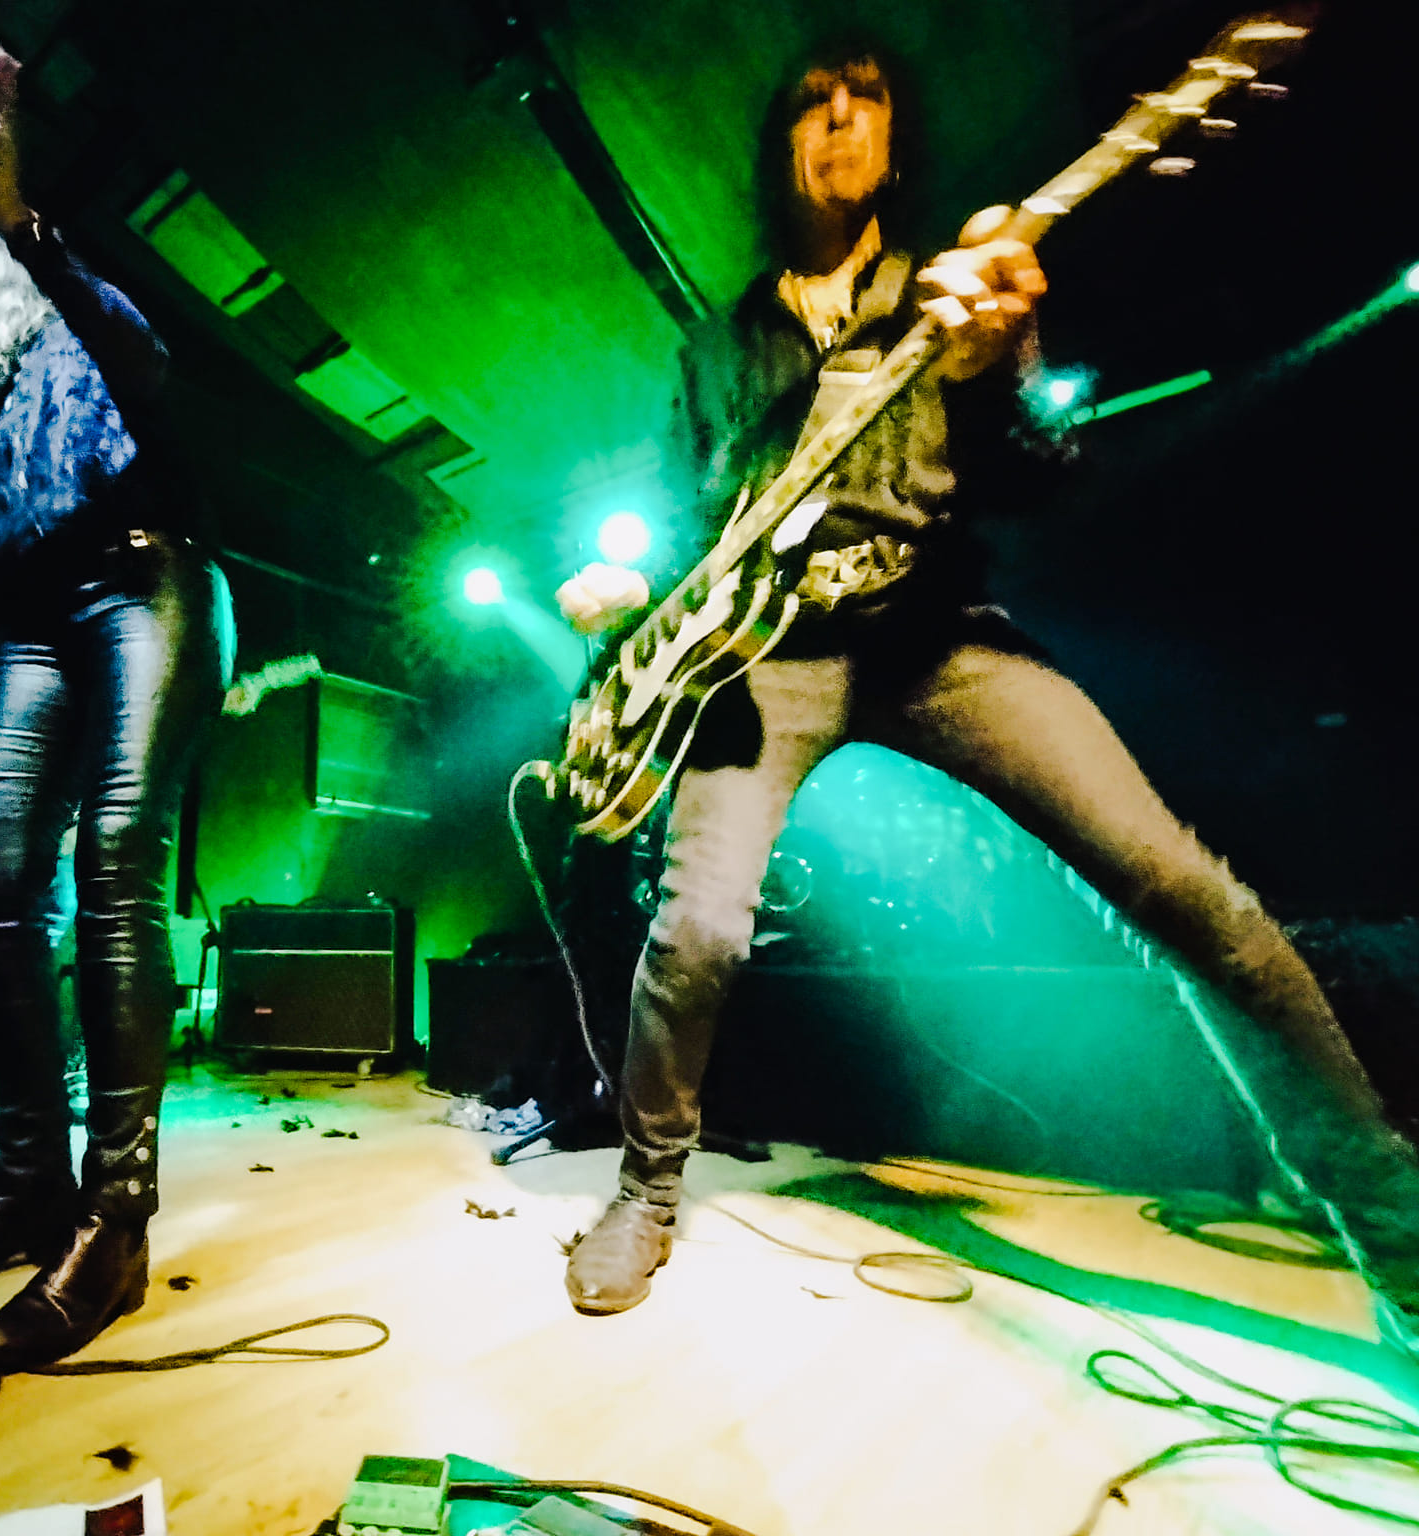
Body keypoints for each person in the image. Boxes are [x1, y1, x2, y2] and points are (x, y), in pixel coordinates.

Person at [554, 45, 1417, 1340]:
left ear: (894, 144)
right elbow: (695, 526)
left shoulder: (948, 292)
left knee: (1186, 888)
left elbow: (1041, 476)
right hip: (767, 661)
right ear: (782, 144)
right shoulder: (717, 345)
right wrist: (630, 593)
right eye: (813, 101)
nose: (840, 118)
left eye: (866, 99)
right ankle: (644, 1192)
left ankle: (1395, 1234)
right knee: (698, 929)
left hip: (935, 633)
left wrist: (993, 364)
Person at [0, 30, 233, 1370]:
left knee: (115, 852)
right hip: (36, 616)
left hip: (148, 580)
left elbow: (149, 361)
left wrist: (11, 208)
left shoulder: (69, 316)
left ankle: (115, 1218)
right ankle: (25, 1183)